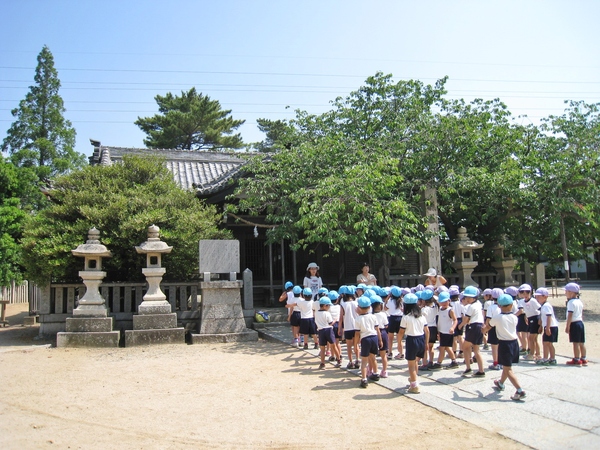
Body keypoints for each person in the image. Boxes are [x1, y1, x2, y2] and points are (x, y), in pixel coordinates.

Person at [485, 293, 526, 401]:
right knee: (506, 366)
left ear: (499, 306)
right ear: (511, 305)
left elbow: (488, 327)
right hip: (514, 343)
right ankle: (501, 383)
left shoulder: (497, 317)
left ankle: (519, 390)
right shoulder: (514, 317)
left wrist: (482, 330)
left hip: (504, 344)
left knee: (508, 369)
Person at [398, 293, 429, 394]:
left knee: (411, 364)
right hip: (421, 339)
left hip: (411, 340)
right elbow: (427, 331)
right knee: (416, 362)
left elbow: (401, 332)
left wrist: (399, 342)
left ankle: (414, 385)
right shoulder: (421, 316)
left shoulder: (406, 317)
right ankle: (413, 379)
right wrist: (426, 343)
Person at [355, 296, 382, 388]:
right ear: (369, 307)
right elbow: (377, 329)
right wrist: (380, 340)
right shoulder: (373, 316)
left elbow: (357, 333)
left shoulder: (358, 319)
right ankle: (376, 373)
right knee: (373, 357)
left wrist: (356, 344)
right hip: (374, 337)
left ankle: (364, 379)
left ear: (359, 307)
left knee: (364, 360)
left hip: (365, 338)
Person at [458, 286, 485, 378]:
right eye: (466, 297)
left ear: (474, 297)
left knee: (465, 347)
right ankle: (481, 370)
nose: (467, 299)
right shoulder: (479, 304)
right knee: (476, 350)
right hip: (479, 326)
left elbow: (466, 319)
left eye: (470, 297)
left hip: (473, 327)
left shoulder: (471, 307)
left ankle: (468, 368)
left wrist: (460, 326)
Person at [430, 291, 459, 370]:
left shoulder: (450, 310)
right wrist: (438, 331)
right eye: (442, 302)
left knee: (442, 347)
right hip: (442, 332)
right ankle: (454, 361)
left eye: (446, 301)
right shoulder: (440, 309)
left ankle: (439, 363)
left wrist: (453, 327)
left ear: (449, 301)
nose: (444, 303)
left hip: (448, 332)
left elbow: (455, 320)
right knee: (446, 347)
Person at [564, 282, 587, 366]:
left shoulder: (570, 302)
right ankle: (583, 357)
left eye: (566, 291)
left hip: (574, 323)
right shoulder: (579, 301)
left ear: (571, 292)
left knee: (575, 342)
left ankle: (576, 359)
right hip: (580, 322)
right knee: (581, 342)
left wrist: (567, 326)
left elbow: (570, 315)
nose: (565, 293)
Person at [314, 297, 341, 369]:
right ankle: (338, 360)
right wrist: (335, 320)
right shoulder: (327, 313)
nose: (329, 307)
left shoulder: (316, 313)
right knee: (333, 345)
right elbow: (330, 323)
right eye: (328, 306)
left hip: (320, 331)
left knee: (322, 348)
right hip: (328, 330)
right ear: (325, 306)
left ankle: (322, 363)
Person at [535, 287, 558, 366]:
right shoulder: (543, 306)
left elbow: (549, 317)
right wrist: (541, 326)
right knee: (548, 343)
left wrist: (547, 328)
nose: (537, 298)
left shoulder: (546, 306)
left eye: (539, 296)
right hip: (548, 326)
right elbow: (543, 317)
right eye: (536, 297)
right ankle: (552, 358)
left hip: (550, 326)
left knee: (546, 343)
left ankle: (546, 358)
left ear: (545, 296)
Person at [339, 285, 360, 369]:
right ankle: (357, 360)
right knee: (356, 345)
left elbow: (340, 318)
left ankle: (351, 362)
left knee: (349, 346)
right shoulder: (357, 303)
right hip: (356, 326)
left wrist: (340, 328)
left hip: (347, 327)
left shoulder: (343, 304)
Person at [520, 284, 541, 361]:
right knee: (533, 339)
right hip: (530, 318)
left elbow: (540, 309)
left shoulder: (533, 301)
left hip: (535, 319)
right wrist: (526, 316)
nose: (525, 295)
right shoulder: (523, 301)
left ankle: (532, 354)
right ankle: (537, 354)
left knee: (531, 338)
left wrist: (540, 319)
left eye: (527, 292)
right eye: (523, 293)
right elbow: (526, 310)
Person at [485, 288, 504, 370]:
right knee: (501, 346)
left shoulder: (491, 307)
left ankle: (495, 363)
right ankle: (502, 362)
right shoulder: (504, 307)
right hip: (502, 327)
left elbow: (488, 319)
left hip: (493, 327)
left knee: (494, 347)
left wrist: (486, 328)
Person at [371, 296, 389, 378]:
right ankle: (384, 371)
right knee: (383, 354)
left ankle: (371, 370)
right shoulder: (383, 314)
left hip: (373, 334)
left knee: (372, 354)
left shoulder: (370, 315)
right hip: (383, 332)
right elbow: (386, 325)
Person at [385, 286, 405, 360]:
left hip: (392, 319)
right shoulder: (402, 300)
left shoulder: (390, 301)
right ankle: (401, 353)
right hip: (400, 319)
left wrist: (386, 299)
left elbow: (385, 308)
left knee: (390, 337)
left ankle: (390, 352)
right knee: (399, 338)